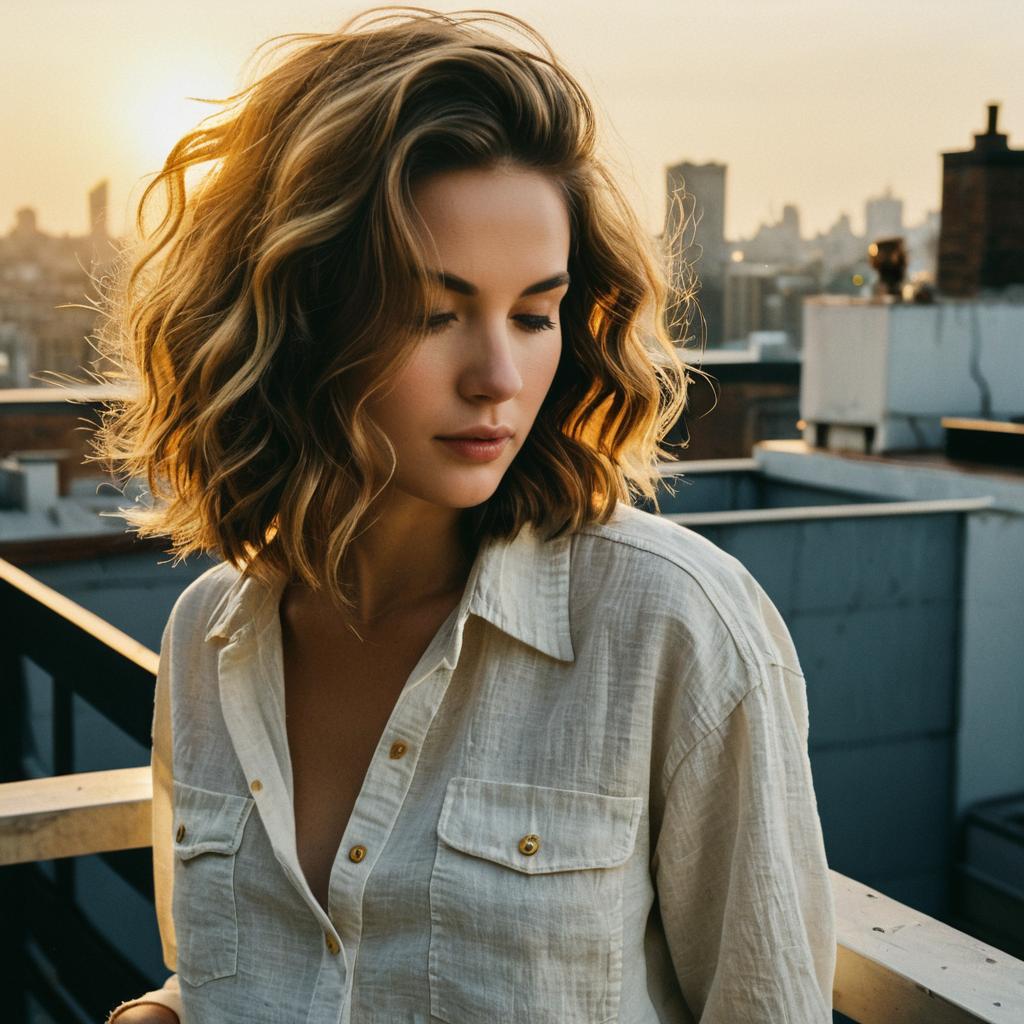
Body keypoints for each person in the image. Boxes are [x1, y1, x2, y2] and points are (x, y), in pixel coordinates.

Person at [100, 7, 835, 1022]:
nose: (498, 376)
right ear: (298, 314)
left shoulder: (672, 626)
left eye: (534, 314)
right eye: (431, 312)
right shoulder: (208, 638)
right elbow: (241, 974)